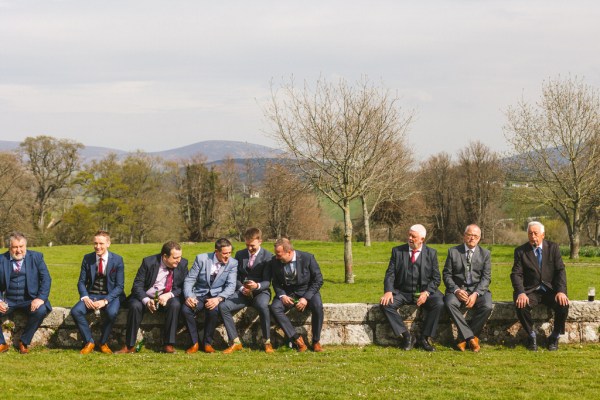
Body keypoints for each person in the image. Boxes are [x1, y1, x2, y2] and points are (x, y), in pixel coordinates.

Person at [116, 241, 188, 354]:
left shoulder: (182, 264)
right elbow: (137, 286)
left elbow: (184, 287)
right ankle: (129, 345)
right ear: (165, 256)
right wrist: (146, 300)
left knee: (175, 304)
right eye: (175, 257)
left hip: (167, 296)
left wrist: (169, 295)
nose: (179, 260)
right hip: (146, 295)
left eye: (180, 257)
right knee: (135, 306)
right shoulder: (148, 262)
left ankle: (168, 344)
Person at [380, 224, 444, 352]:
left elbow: (436, 278)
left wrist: (426, 292)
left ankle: (424, 338)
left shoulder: (431, 253)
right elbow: (390, 274)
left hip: (423, 292)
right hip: (402, 292)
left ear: (422, 239)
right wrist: (388, 291)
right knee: (385, 305)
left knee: (439, 303)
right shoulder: (397, 251)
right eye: (409, 235)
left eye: (413, 236)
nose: (409, 238)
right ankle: (407, 336)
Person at [510, 221, 569, 351]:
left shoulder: (553, 248)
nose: (533, 236)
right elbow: (516, 274)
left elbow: (560, 271)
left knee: (563, 304)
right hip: (530, 291)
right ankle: (531, 335)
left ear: (543, 235)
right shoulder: (520, 251)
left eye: (535, 233)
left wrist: (561, 291)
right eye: (530, 233)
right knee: (521, 304)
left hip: (550, 290)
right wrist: (521, 292)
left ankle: (554, 336)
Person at [220, 228, 274, 354]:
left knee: (263, 306)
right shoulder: (240, 254)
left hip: (261, 292)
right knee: (223, 306)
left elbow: (267, 282)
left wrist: (257, 286)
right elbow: (235, 277)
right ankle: (235, 342)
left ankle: (267, 342)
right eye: (247, 245)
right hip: (243, 292)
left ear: (260, 241)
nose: (249, 248)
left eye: (252, 246)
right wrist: (241, 288)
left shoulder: (268, 257)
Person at [71, 230, 125, 354]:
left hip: (110, 296)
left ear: (108, 244)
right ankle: (89, 342)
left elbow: (119, 286)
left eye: (101, 243)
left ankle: (103, 342)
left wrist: (105, 301)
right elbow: (81, 281)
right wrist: (85, 297)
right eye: (95, 243)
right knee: (76, 311)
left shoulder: (117, 260)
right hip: (91, 295)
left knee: (112, 313)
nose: (97, 247)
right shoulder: (87, 258)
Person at [443, 224, 492, 352]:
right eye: (469, 235)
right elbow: (447, 275)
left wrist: (476, 294)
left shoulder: (485, 254)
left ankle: (463, 338)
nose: (472, 238)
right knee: (449, 303)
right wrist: (456, 290)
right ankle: (471, 338)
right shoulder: (453, 251)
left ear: (479, 238)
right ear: (464, 236)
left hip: (477, 290)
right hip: (458, 289)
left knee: (487, 305)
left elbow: (486, 278)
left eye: (475, 236)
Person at [182, 238, 237, 354]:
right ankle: (195, 343)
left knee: (213, 311)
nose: (228, 256)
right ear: (216, 251)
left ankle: (207, 343)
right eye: (224, 253)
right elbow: (190, 279)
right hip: (199, 294)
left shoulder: (233, 263)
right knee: (186, 309)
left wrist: (218, 299)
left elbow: (231, 286)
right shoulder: (201, 259)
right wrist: (189, 296)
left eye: (229, 253)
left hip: (217, 296)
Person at [0, 232, 52, 354]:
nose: (18, 250)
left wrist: (40, 298)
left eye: (21, 246)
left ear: (25, 246)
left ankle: (24, 341)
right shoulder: (1, 259)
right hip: (8, 300)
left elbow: (46, 279)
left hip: (30, 299)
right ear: (9, 248)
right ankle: (2, 344)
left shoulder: (36, 257)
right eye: (15, 247)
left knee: (41, 310)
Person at [270, 238, 324, 352]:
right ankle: (296, 339)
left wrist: (306, 298)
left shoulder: (307, 258)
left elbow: (318, 280)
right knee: (275, 308)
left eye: (279, 254)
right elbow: (275, 282)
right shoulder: (275, 261)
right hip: (288, 293)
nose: (276, 257)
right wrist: (282, 295)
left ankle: (316, 341)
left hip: (307, 290)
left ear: (289, 252)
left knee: (318, 306)